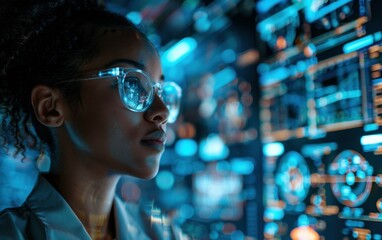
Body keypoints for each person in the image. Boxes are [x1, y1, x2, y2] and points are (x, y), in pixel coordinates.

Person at [0, 0, 184, 239]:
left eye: (160, 90)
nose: (162, 111)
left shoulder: (164, 234)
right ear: (51, 107)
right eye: (132, 85)